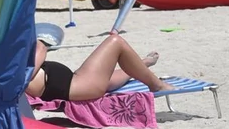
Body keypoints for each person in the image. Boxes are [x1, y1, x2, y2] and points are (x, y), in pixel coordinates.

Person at [25, 33, 172, 103]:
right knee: (116, 41)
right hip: (81, 86)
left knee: (107, 78)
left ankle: (143, 63)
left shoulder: (15, 73)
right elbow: (41, 47)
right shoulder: (21, 76)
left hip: (76, 81)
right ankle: (157, 85)